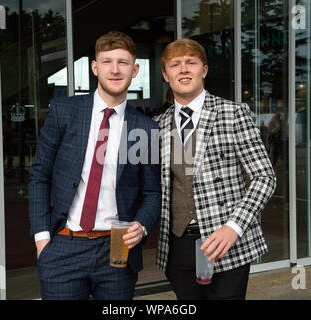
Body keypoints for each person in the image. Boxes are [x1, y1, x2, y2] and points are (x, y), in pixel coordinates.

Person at [28, 31, 161, 300]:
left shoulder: (146, 128)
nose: (114, 69)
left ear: (135, 70)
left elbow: (152, 193)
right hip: (64, 244)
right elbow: (39, 176)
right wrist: (42, 239)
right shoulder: (64, 111)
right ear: (94, 67)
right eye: (107, 61)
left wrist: (142, 225)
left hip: (117, 248)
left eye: (123, 63)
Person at [153, 39, 276, 300]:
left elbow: (264, 177)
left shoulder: (233, 113)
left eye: (191, 63)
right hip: (178, 245)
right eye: (175, 65)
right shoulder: (157, 125)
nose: (184, 70)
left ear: (204, 70)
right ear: (165, 75)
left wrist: (234, 227)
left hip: (226, 243)